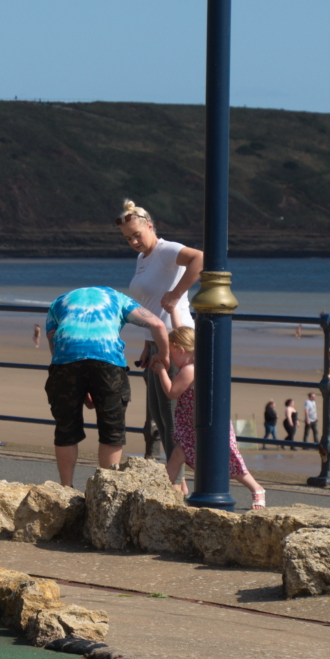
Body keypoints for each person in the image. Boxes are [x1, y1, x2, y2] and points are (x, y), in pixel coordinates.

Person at [45, 286, 169, 489]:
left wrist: (78, 381)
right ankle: (107, 489)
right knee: (112, 430)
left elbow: (54, 341)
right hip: (107, 361)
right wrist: (163, 355)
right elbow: (157, 324)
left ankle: (66, 489)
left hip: (65, 361)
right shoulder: (117, 298)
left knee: (66, 429)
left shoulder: (59, 301)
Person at [116, 199, 203, 484]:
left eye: (137, 235)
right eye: (128, 238)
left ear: (150, 227)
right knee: (158, 413)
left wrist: (177, 294)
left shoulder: (166, 250)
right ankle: (176, 480)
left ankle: (178, 483)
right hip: (156, 341)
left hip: (177, 342)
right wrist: (146, 342)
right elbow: (150, 304)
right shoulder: (143, 258)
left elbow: (200, 259)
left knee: (171, 414)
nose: (134, 242)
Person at [153, 305, 265, 508]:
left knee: (228, 462)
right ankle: (161, 493)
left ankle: (256, 488)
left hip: (203, 423)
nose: (170, 358)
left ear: (181, 350)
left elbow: (171, 392)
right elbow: (182, 331)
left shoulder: (188, 370)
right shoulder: (197, 358)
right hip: (194, 423)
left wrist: (161, 370)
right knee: (178, 455)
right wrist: (173, 310)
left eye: (171, 353)